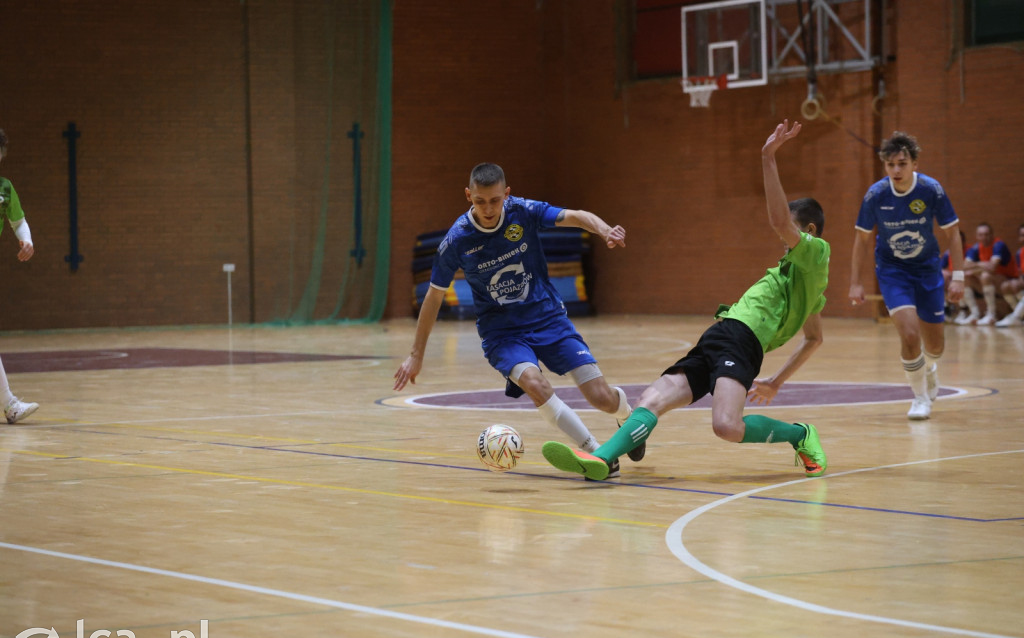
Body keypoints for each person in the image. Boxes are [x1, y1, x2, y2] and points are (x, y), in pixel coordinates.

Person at [541, 120, 828, 482]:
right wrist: (776, 381)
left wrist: (767, 157)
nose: (785, 239)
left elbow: (778, 221)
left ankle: (801, 435)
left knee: (726, 426)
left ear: (811, 231)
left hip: (744, 342)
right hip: (721, 334)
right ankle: (602, 459)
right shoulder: (801, 279)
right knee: (651, 400)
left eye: (793, 230)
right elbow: (814, 338)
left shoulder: (817, 253)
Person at [393, 162, 643, 478]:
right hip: (502, 333)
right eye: (480, 201)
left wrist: (604, 230)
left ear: (507, 194)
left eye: (495, 200)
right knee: (535, 384)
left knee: (601, 398)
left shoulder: (523, 211)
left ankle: (625, 415)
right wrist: (416, 355)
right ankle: (597, 453)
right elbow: (433, 296)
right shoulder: (457, 240)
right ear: (468, 195)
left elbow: (576, 215)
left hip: (549, 319)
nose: (488, 209)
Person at [849, 130, 964, 420]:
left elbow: (953, 233)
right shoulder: (876, 195)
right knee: (910, 335)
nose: (896, 170)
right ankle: (920, 398)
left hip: (927, 269)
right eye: (891, 165)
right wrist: (855, 282)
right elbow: (861, 239)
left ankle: (930, 367)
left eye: (902, 163)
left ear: (915, 163)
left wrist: (959, 277)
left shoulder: (931, 190)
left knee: (935, 346)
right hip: (893, 271)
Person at [0, 129, 39, 424]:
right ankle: (10, 404)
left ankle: (10, 404)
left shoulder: (5, 187)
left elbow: (18, 221)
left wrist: (27, 240)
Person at [956, 222, 1017, 326]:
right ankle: (974, 314)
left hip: (1008, 280)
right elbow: (964, 266)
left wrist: (975, 268)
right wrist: (981, 264)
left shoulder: (998, 245)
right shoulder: (976, 248)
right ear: (976, 236)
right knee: (965, 276)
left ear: (992, 235)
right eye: (981, 235)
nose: (984, 237)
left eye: (986, 234)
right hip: (991, 282)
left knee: (985, 276)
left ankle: (991, 314)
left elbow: (992, 267)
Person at [995, 223, 1024, 327]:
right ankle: (1019, 316)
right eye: (1023, 235)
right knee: (1006, 286)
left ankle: (1015, 317)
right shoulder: (1019, 253)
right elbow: (1020, 273)